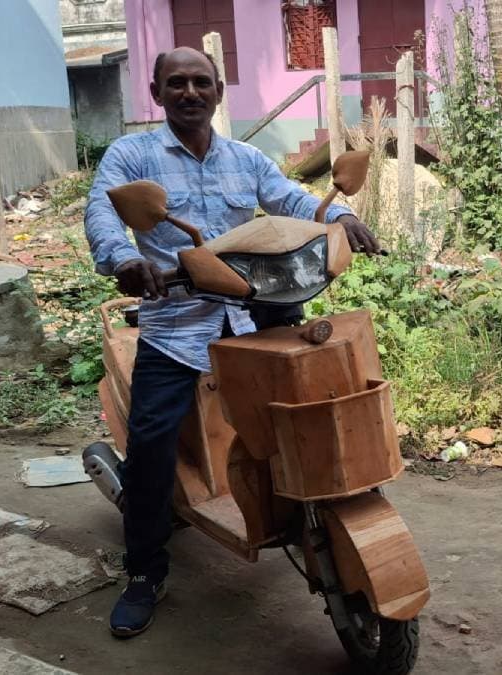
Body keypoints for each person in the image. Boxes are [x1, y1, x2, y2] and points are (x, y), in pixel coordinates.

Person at [84, 46, 378, 638]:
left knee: (308, 414)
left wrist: (337, 218)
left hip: (257, 309)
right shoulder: (131, 155)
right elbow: (102, 212)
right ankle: (144, 572)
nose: (189, 92)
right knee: (150, 447)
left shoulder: (246, 158)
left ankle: (300, 514)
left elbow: (289, 199)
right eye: (177, 84)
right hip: (176, 321)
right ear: (157, 92)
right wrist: (122, 259)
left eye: (201, 83)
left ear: (219, 92)